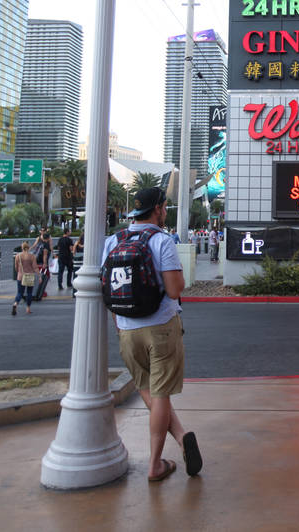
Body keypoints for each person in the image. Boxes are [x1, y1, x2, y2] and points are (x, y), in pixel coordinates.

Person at [103, 186, 202, 482]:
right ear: (158, 208)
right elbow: (174, 289)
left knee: (149, 391)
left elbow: (106, 288)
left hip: (126, 329)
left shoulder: (112, 241)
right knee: (161, 394)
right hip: (160, 328)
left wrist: (119, 322)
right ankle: (155, 465)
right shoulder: (161, 240)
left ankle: (182, 437)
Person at [13, 241, 37, 315]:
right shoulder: (32, 256)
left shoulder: (18, 256)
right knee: (29, 293)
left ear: (22, 248)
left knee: (20, 292)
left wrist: (19, 272)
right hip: (29, 276)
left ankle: (15, 304)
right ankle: (28, 308)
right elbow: (35, 267)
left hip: (20, 276)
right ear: (28, 248)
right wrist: (39, 276)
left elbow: (16, 267)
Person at [32, 231, 52, 300]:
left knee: (38, 276)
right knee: (45, 276)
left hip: (36, 261)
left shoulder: (40, 243)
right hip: (41, 262)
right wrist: (45, 263)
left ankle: (36, 290)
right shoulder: (46, 245)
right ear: (48, 238)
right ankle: (40, 291)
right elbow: (45, 255)